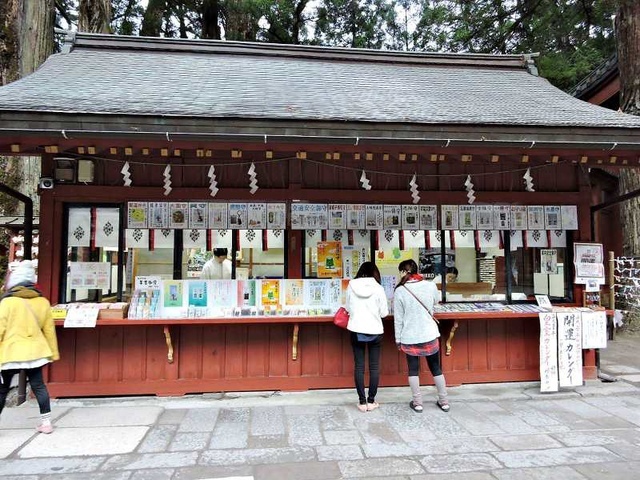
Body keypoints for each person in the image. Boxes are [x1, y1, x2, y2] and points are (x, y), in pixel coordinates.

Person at [0, 260, 60, 434]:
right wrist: (53, 354)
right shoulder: (42, 302)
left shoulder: (7, 303)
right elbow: (49, 331)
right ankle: (46, 422)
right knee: (39, 386)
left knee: (2, 389)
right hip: (36, 352)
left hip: (11, 352)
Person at [393, 259, 450, 413]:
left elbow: (398, 319)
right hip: (429, 333)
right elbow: (435, 302)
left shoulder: (400, 290)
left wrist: (398, 339)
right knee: (436, 368)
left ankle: (417, 403)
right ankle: (444, 401)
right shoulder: (430, 285)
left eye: (400, 271)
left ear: (404, 272)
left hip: (410, 336)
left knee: (413, 370)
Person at [345, 261, 389, 412]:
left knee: (359, 366)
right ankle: (371, 401)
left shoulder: (351, 286)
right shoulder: (379, 288)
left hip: (356, 329)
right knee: (374, 366)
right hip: (375, 330)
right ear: (375, 273)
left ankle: (362, 402)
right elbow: (384, 313)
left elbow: (348, 308)